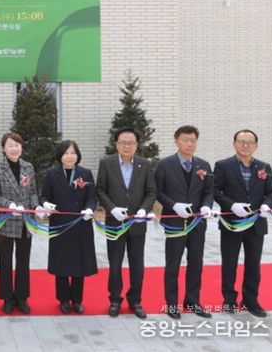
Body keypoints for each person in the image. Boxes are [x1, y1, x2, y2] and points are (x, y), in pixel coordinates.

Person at [214, 129, 272, 318]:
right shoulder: (223, 165)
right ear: (234, 143)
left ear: (256, 146)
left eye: (249, 142)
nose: (245, 145)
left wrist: (267, 205)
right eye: (241, 141)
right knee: (229, 263)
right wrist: (231, 205)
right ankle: (229, 300)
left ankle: (250, 300)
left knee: (253, 264)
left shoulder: (264, 167)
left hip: (256, 224)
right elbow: (215, 191)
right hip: (231, 223)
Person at [96, 127, 156, 319]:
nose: (127, 146)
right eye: (123, 142)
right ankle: (115, 300)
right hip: (115, 222)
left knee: (137, 264)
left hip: (137, 224)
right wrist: (112, 208)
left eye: (131, 143)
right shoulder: (107, 163)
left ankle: (135, 300)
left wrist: (143, 210)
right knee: (115, 264)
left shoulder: (144, 164)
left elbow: (151, 192)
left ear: (137, 145)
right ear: (116, 144)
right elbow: (100, 190)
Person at [154, 125, 214, 319]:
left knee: (196, 263)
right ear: (176, 141)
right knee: (173, 264)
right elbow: (158, 191)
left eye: (193, 140)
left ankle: (192, 301)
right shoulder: (164, 165)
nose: (189, 144)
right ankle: (172, 304)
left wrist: (206, 206)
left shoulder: (203, 165)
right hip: (175, 222)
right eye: (185, 140)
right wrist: (173, 205)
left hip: (197, 223)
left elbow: (209, 191)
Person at [40, 140, 97, 315]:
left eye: (73, 153)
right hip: (60, 224)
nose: (70, 156)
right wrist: (46, 204)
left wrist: (89, 209)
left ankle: (77, 300)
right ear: (60, 156)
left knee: (80, 263)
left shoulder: (85, 173)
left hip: (81, 224)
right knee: (62, 263)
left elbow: (91, 197)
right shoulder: (52, 174)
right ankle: (63, 300)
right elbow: (43, 196)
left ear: (78, 155)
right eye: (66, 153)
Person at [0, 132, 37, 314]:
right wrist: (9, 205)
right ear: (3, 148)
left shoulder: (28, 167)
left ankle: (22, 297)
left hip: (25, 221)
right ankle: (7, 298)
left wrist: (36, 206)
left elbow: (33, 191)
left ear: (21, 147)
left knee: (23, 261)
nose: (14, 149)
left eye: (17, 145)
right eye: (10, 145)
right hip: (5, 221)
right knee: (5, 261)